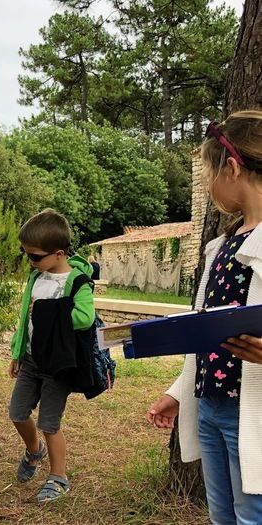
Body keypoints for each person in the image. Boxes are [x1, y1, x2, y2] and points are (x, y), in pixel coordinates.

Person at [147, 111, 262, 525]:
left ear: (231, 168)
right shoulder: (223, 245)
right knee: (222, 516)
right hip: (210, 405)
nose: (208, 186)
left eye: (208, 173)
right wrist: (179, 393)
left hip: (252, 413)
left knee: (252, 516)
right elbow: (207, 333)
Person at [8, 209, 95, 502]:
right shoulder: (37, 278)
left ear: (58, 253)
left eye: (34, 256)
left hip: (58, 366)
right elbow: (25, 318)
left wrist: (47, 312)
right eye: (27, 255)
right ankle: (35, 451)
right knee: (17, 412)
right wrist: (17, 351)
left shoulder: (78, 281)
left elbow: (84, 317)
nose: (30, 262)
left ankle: (58, 477)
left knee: (49, 423)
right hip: (32, 360)